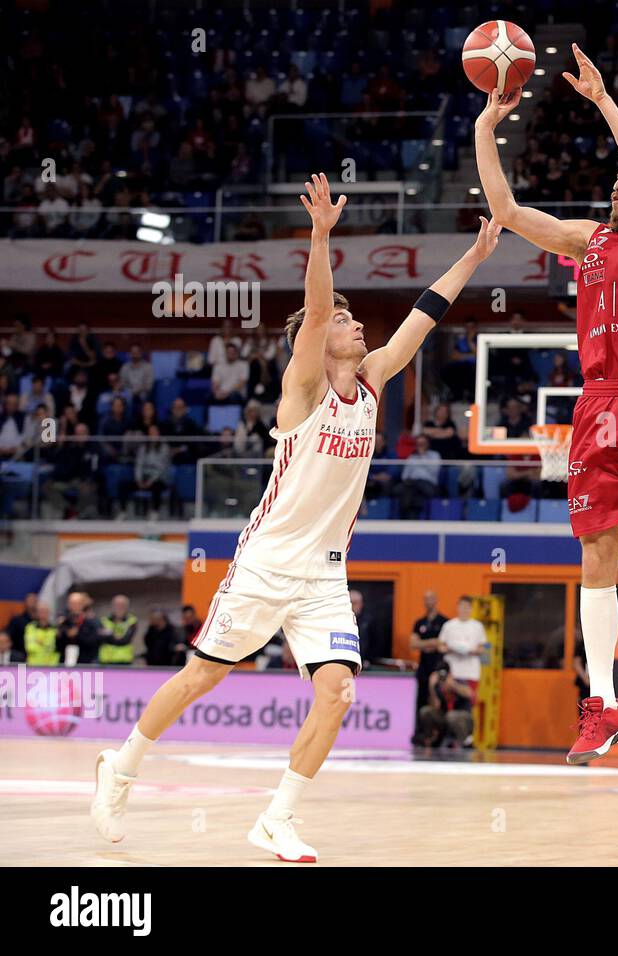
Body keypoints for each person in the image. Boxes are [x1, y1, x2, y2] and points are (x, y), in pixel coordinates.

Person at [90, 174, 501, 862]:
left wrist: (475, 257)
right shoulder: (303, 388)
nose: (356, 325)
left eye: (354, 320)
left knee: (337, 694)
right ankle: (120, 768)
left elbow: (423, 318)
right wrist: (319, 236)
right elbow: (313, 315)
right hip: (266, 560)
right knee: (203, 677)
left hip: (323, 575)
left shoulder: (371, 381)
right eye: (345, 321)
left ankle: (276, 818)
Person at [476, 49, 618, 768]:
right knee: (596, 553)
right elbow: (507, 211)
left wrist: (605, 103)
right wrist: (487, 128)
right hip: (599, 405)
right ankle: (602, 707)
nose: (616, 184)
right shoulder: (590, 240)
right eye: (613, 177)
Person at [438, 596, 488, 743]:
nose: (464, 610)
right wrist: (452, 649)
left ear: (471, 609)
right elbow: (441, 646)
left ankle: (467, 735)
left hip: (469, 672)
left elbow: (482, 648)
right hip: (452, 670)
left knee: (468, 702)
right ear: (458, 607)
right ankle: (449, 735)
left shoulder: (477, 626)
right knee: (449, 703)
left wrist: (470, 651)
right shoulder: (449, 625)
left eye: (467, 607)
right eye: (462, 606)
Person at [408, 589, 449, 723]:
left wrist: (424, 643)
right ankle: (421, 731)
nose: (428, 602)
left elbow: (443, 644)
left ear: (436, 600)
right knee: (421, 698)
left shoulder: (444, 622)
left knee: (438, 698)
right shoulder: (420, 623)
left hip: (438, 666)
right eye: (426, 599)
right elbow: (413, 644)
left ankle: (439, 731)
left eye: (431, 598)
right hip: (424, 666)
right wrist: (432, 642)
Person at [97, 594, 139, 666]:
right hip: (106, 659)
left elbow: (125, 640)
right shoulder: (104, 620)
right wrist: (115, 636)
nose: (119, 607)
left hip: (124, 660)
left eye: (122, 605)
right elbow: (102, 638)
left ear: (126, 606)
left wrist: (110, 634)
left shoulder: (132, 620)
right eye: (117, 605)